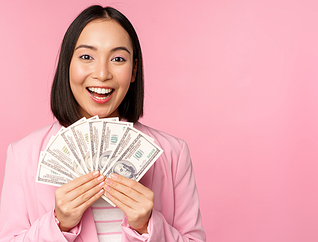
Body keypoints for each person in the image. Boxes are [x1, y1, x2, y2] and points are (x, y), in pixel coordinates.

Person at [0, 5, 206, 242]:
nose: (102, 73)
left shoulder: (173, 154)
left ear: (134, 70)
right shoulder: (23, 155)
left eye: (118, 58)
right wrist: (58, 224)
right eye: (86, 57)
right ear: (67, 65)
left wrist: (147, 226)